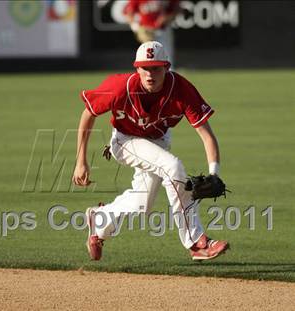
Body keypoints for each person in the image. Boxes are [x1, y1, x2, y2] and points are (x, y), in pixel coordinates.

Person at [72, 41, 229, 261]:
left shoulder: (182, 89)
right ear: (137, 68)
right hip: (125, 141)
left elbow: (206, 135)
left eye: (156, 68)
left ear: (167, 67)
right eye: (145, 68)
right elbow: (88, 113)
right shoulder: (119, 87)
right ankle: (196, 242)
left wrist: (214, 172)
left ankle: (100, 220)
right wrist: (81, 161)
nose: (150, 74)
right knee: (173, 167)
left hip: (158, 141)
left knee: (141, 205)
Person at [124, 0, 180, 66]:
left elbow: (176, 9)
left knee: (167, 54)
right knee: (146, 56)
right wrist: (136, 27)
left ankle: (168, 73)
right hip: (147, 31)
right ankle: (146, 73)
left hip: (162, 30)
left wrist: (167, 18)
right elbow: (128, 13)